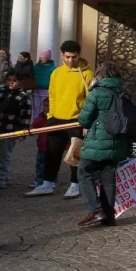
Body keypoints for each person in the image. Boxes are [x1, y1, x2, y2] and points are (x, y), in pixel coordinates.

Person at [27, 41, 92, 198]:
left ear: (78, 55)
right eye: (67, 57)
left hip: (77, 119)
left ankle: (75, 184)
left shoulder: (87, 73)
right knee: (52, 152)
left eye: (74, 57)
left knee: (75, 154)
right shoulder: (56, 73)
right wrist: (51, 116)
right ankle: (47, 183)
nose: (70, 60)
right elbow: (52, 95)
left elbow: (91, 99)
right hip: (56, 118)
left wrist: (86, 120)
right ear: (62, 55)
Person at [76, 61, 132, 228]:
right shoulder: (125, 93)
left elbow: (84, 119)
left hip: (97, 140)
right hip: (119, 140)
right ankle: (108, 217)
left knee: (84, 172)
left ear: (100, 74)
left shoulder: (96, 92)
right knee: (108, 177)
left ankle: (96, 210)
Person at [0, 70, 32, 188]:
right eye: (8, 80)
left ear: (20, 82)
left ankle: (2, 179)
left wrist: (23, 132)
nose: (11, 83)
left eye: (14, 81)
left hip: (10, 129)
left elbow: (26, 116)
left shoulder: (24, 97)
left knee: (4, 154)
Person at [29, 99, 49, 189]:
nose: (46, 108)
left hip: (51, 146)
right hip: (42, 146)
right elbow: (35, 124)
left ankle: (50, 180)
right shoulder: (42, 117)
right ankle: (39, 180)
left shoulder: (56, 118)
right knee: (40, 164)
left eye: (48, 106)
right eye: (45, 106)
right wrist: (42, 116)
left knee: (50, 165)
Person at [32, 50, 55, 120]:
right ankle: (36, 121)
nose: (42, 59)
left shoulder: (52, 68)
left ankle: (44, 120)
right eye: (40, 57)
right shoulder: (35, 67)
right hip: (36, 89)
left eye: (43, 57)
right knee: (36, 107)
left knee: (44, 106)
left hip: (46, 90)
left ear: (48, 58)